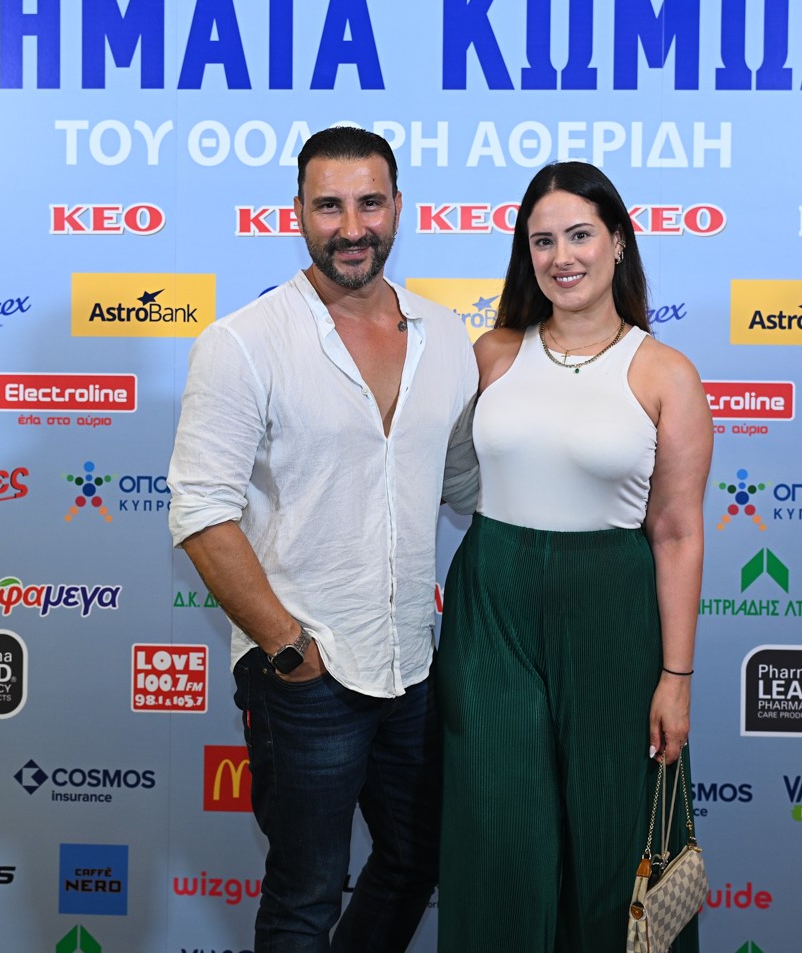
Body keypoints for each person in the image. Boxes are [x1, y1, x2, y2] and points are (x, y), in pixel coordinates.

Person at [166, 125, 479, 953]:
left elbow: (466, 482)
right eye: (329, 206)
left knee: (415, 860)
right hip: (305, 674)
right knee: (304, 898)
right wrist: (288, 648)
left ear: (398, 207)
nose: (352, 227)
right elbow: (201, 513)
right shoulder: (243, 343)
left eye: (370, 203)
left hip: (413, 664)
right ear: (297, 213)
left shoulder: (446, 336)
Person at [436, 161, 713, 951]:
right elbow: (434, 471)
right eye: (543, 241)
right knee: (498, 835)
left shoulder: (665, 373)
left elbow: (677, 531)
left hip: (612, 610)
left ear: (617, 242)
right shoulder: (491, 353)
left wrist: (676, 678)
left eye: (580, 235)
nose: (563, 257)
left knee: (612, 839)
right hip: (492, 608)